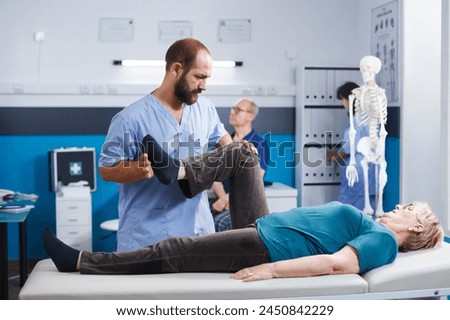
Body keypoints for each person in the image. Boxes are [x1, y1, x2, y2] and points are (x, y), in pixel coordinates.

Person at [43, 136, 444, 282]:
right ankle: (181, 172)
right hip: (266, 226)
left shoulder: (382, 242)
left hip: (267, 247)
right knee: (242, 154)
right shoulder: (376, 229)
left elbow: (339, 265)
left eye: (408, 209)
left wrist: (270, 269)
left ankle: (80, 262)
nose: (397, 206)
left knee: (176, 250)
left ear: (415, 229)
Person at [98, 38, 232, 251]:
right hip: (149, 235)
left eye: (207, 78)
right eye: (199, 77)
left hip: (199, 231)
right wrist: (137, 169)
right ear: (176, 69)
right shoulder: (130, 119)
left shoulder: (205, 109)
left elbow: (224, 140)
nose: (203, 86)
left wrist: (233, 151)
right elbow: (106, 170)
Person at [211, 98, 268, 231]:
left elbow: (254, 179)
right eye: (233, 109)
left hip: (243, 203)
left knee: (219, 224)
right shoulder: (224, 141)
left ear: (250, 116)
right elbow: (213, 174)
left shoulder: (259, 144)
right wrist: (222, 198)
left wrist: (225, 200)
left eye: (238, 110)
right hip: (222, 202)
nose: (233, 112)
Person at [326, 82, 377, 212]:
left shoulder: (356, 120)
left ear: (351, 99)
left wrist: (334, 156)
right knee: (367, 209)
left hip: (357, 171)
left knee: (348, 209)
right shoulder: (368, 117)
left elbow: (348, 148)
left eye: (343, 99)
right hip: (370, 171)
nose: (343, 103)